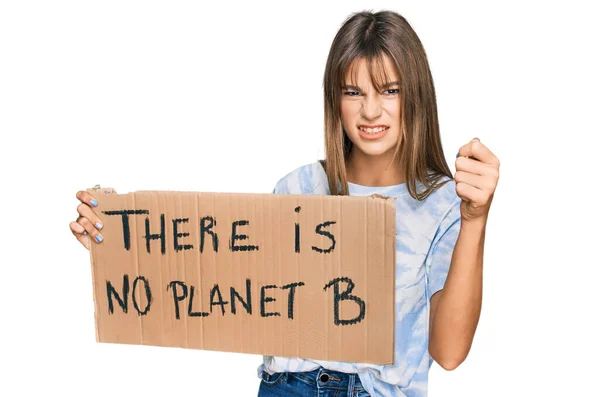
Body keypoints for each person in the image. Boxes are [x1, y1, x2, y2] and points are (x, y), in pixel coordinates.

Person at [70, 9, 500, 397]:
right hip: (284, 387)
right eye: (353, 92)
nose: (371, 111)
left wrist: (475, 220)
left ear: (416, 96)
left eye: (389, 91)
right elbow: (224, 285)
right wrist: (125, 248)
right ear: (335, 99)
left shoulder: (445, 202)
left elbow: (448, 353)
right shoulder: (297, 188)